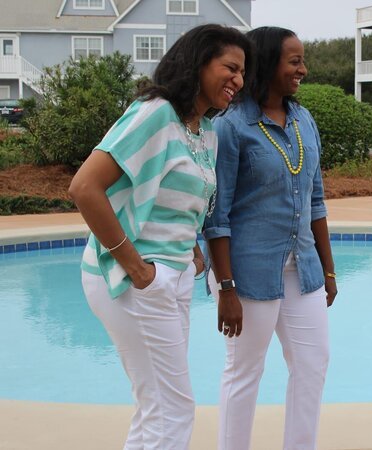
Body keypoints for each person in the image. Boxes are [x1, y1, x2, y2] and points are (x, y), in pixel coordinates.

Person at [69, 24, 250, 449]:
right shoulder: (155, 113)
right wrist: (135, 266)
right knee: (173, 408)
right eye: (231, 67)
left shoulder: (205, 130)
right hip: (138, 279)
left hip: (171, 275)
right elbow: (84, 187)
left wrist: (188, 244)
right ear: (199, 61)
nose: (239, 81)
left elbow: (174, 191)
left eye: (243, 73)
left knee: (156, 405)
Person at [203, 26, 337, 450]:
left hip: (303, 269)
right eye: (294, 61)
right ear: (268, 63)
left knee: (313, 363)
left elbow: (316, 200)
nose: (303, 69)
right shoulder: (230, 126)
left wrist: (328, 268)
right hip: (246, 272)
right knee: (245, 372)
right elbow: (216, 215)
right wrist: (225, 287)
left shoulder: (303, 119)